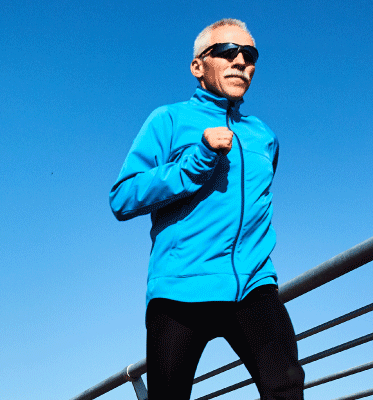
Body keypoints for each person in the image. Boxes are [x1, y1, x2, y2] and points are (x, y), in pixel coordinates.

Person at [108, 19, 305, 400]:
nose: (240, 62)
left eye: (249, 55)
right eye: (227, 52)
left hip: (253, 284)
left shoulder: (264, 136)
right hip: (182, 289)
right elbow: (122, 197)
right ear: (199, 66)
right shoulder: (168, 120)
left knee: (286, 387)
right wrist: (196, 160)